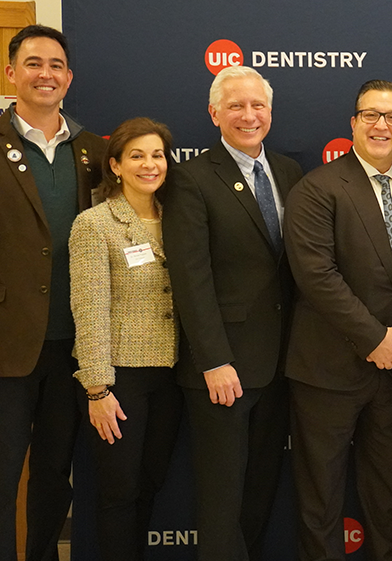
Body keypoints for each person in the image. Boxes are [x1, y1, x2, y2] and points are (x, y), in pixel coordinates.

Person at [160, 65, 303, 561]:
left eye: (257, 105)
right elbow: (190, 280)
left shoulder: (288, 172)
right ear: (214, 113)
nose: (249, 115)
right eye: (236, 106)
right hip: (224, 370)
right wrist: (214, 361)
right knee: (222, 502)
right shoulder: (191, 180)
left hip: (282, 363)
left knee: (260, 494)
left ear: (270, 112)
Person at [283, 80, 392, 561]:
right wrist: (373, 339)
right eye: (370, 114)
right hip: (328, 370)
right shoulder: (318, 188)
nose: (380, 125)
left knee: (387, 495)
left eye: (391, 117)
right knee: (321, 498)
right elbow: (315, 276)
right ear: (353, 123)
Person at [0, 24, 106, 561]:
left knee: (53, 477)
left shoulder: (93, 150)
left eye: (56, 66)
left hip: (73, 347)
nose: (46, 74)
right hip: (7, 345)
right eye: (34, 63)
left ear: (69, 78)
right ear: (11, 72)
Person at [68, 117, 180, 561]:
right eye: (136, 156)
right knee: (119, 492)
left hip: (170, 373)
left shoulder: (179, 218)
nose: (149, 165)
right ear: (114, 165)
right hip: (119, 379)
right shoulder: (94, 224)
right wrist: (98, 387)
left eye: (157, 155)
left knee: (151, 483)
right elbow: (89, 308)